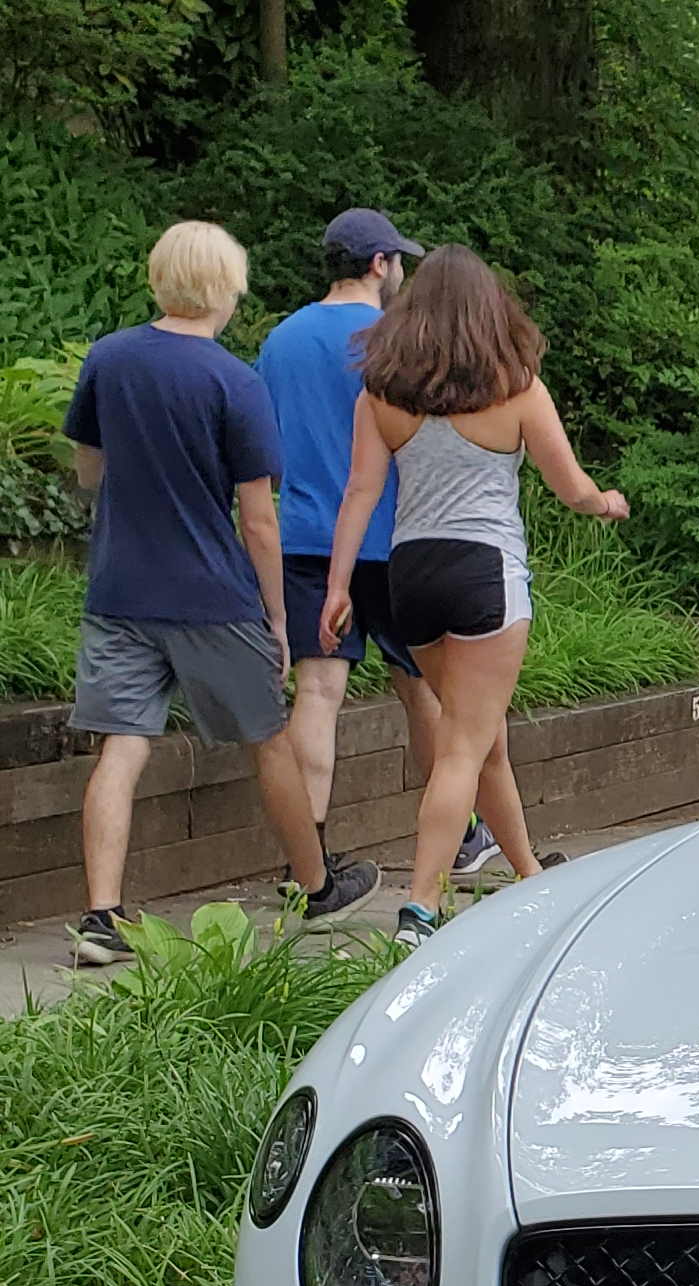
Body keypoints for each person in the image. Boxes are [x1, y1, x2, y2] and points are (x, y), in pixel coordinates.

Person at [60, 221, 378, 966]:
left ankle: (101, 917)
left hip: (119, 590)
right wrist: (277, 617)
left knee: (121, 746)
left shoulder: (109, 358)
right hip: (212, 595)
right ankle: (316, 886)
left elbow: (88, 468)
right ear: (226, 289)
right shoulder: (235, 382)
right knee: (268, 739)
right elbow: (258, 518)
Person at [321, 245, 627, 950]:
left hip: (411, 574)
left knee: (483, 739)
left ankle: (529, 875)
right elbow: (571, 488)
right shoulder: (518, 389)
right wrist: (605, 502)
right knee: (463, 744)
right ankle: (420, 907)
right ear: (492, 310)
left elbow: (361, 490)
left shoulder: (382, 394)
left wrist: (337, 587)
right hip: (485, 570)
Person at [257, 210, 504, 881]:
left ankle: (308, 862)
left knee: (317, 693)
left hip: (306, 537)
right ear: (377, 264)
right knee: (422, 691)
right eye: (397, 261)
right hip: (396, 537)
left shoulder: (280, 341)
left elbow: (264, 445)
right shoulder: (402, 340)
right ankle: (460, 837)